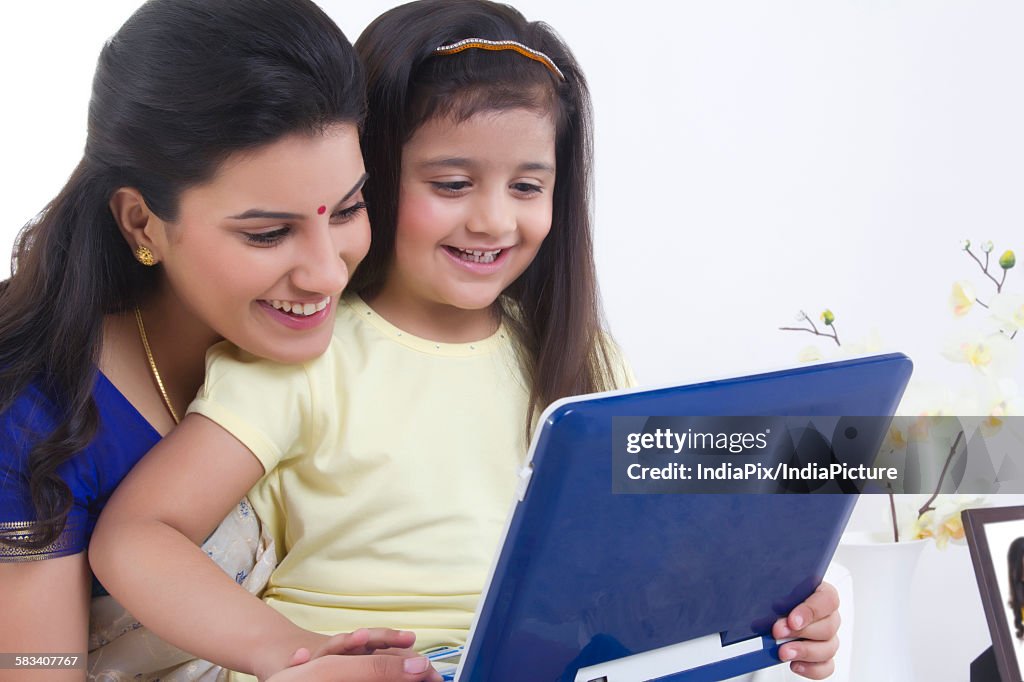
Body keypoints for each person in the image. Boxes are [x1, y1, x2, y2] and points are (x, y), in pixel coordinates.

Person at [91, 0, 839, 680]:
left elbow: (652, 563)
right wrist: (297, 654)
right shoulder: (307, 358)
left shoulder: (579, 358)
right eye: (451, 184)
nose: (492, 221)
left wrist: (772, 614)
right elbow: (137, 537)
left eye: (527, 186)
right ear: (371, 181)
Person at [0, 0, 440, 680]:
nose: (327, 271)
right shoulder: (34, 423)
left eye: (350, 208)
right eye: (267, 233)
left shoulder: (371, 325)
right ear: (142, 223)